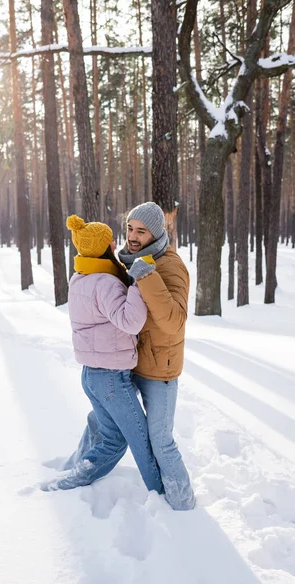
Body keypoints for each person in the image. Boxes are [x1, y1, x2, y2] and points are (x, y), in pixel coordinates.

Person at [61, 202, 195, 511]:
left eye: (141, 231)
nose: (132, 237)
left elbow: (174, 320)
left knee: (159, 439)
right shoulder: (129, 259)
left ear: (157, 233)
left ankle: (183, 505)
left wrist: (146, 278)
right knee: (100, 420)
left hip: (159, 370)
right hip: (128, 362)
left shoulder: (171, 266)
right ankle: (74, 465)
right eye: (129, 229)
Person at [41, 214, 163, 494]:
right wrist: (137, 283)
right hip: (110, 379)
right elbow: (130, 322)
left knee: (109, 435)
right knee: (134, 440)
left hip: (92, 375)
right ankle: (162, 495)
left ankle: (72, 475)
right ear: (106, 246)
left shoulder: (80, 278)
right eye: (112, 240)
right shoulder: (106, 283)